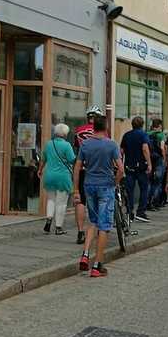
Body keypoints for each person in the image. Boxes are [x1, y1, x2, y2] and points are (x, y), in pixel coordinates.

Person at [73, 113, 123, 278]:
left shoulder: (85, 144)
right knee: (104, 225)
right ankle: (97, 265)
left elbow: (77, 168)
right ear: (106, 127)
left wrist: (76, 190)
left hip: (89, 185)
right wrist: (115, 182)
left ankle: (85, 254)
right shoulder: (111, 145)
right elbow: (121, 169)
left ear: (93, 127)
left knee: (92, 221)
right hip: (105, 186)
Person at [73, 105, 105, 245]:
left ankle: (80, 232)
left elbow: (76, 147)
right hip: (97, 170)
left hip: (82, 169)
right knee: (97, 201)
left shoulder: (79, 130)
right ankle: (95, 229)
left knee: (80, 201)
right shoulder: (101, 131)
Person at [39, 123, 75, 235]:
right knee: (61, 203)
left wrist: (40, 169)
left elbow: (43, 159)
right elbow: (72, 159)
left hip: (49, 175)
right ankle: (58, 227)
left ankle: (49, 220)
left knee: (51, 199)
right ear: (65, 134)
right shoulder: (67, 145)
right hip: (62, 177)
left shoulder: (48, 144)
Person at [120, 116, 152, 223]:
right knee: (144, 189)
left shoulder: (126, 135)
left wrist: (121, 163)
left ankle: (130, 212)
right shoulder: (143, 135)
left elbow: (121, 151)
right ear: (142, 124)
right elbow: (145, 149)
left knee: (130, 190)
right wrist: (149, 164)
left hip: (129, 166)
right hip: (141, 167)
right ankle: (141, 212)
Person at [147, 118, 167, 210]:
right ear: (159, 126)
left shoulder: (147, 134)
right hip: (158, 159)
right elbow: (162, 148)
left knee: (149, 182)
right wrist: (164, 158)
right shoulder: (161, 135)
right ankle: (155, 202)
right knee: (158, 182)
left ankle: (147, 202)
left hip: (149, 159)